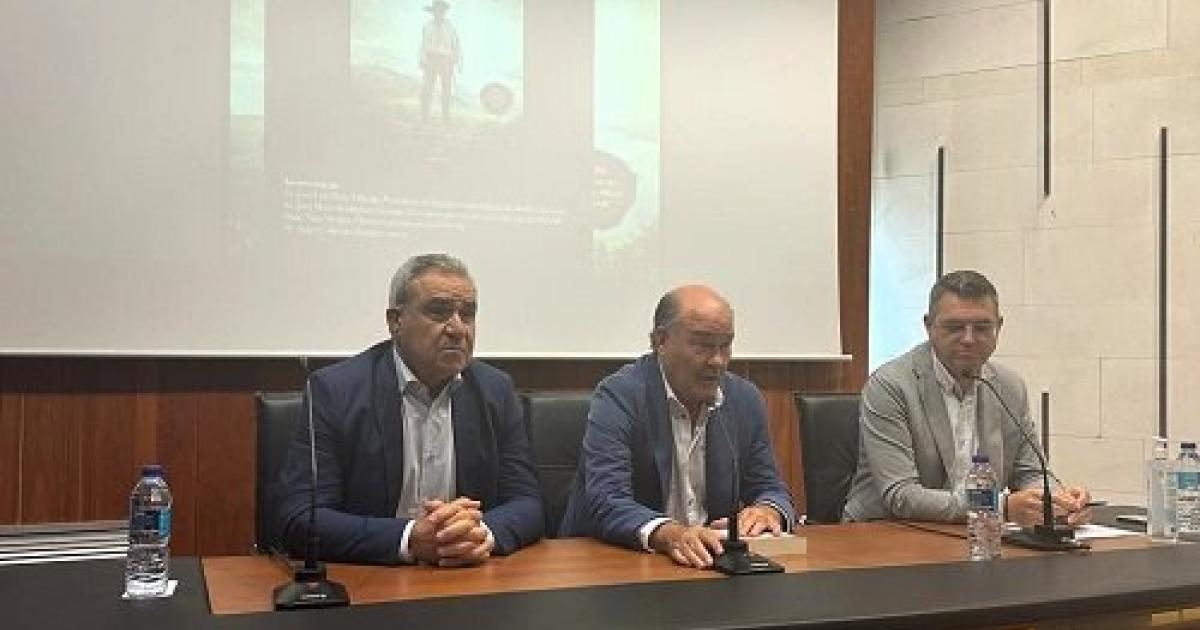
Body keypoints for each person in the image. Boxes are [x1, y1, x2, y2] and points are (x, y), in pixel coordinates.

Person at [276, 254, 543, 565]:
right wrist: (410, 538)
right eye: (439, 311)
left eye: (467, 314)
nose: (458, 328)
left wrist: (478, 533)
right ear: (395, 321)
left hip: (467, 573)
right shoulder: (335, 391)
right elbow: (301, 517)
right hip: (373, 578)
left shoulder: (495, 391)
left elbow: (528, 502)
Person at [559, 285, 796, 569]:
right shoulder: (620, 395)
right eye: (703, 345)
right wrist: (670, 534)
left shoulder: (743, 399)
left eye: (725, 345)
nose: (717, 360)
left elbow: (770, 487)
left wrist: (768, 510)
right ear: (660, 340)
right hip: (619, 564)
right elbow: (605, 500)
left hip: (708, 565)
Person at [842, 270, 1092, 527]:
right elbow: (901, 496)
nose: (969, 339)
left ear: (999, 327)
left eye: (982, 328)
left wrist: (1058, 501)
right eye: (955, 327)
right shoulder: (891, 385)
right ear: (928, 326)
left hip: (974, 534)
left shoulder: (1009, 386)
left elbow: (1030, 473)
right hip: (884, 532)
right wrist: (998, 507)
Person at [418, 0, 461, 124]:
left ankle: (445, 117)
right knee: (427, 88)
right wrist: (422, 60)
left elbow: (455, 44)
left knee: (446, 89)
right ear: (433, 12)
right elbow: (423, 44)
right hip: (431, 60)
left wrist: (455, 59)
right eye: (436, 11)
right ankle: (425, 116)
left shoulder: (449, 27)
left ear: (444, 13)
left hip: (445, 61)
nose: (439, 14)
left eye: (441, 11)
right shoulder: (427, 26)